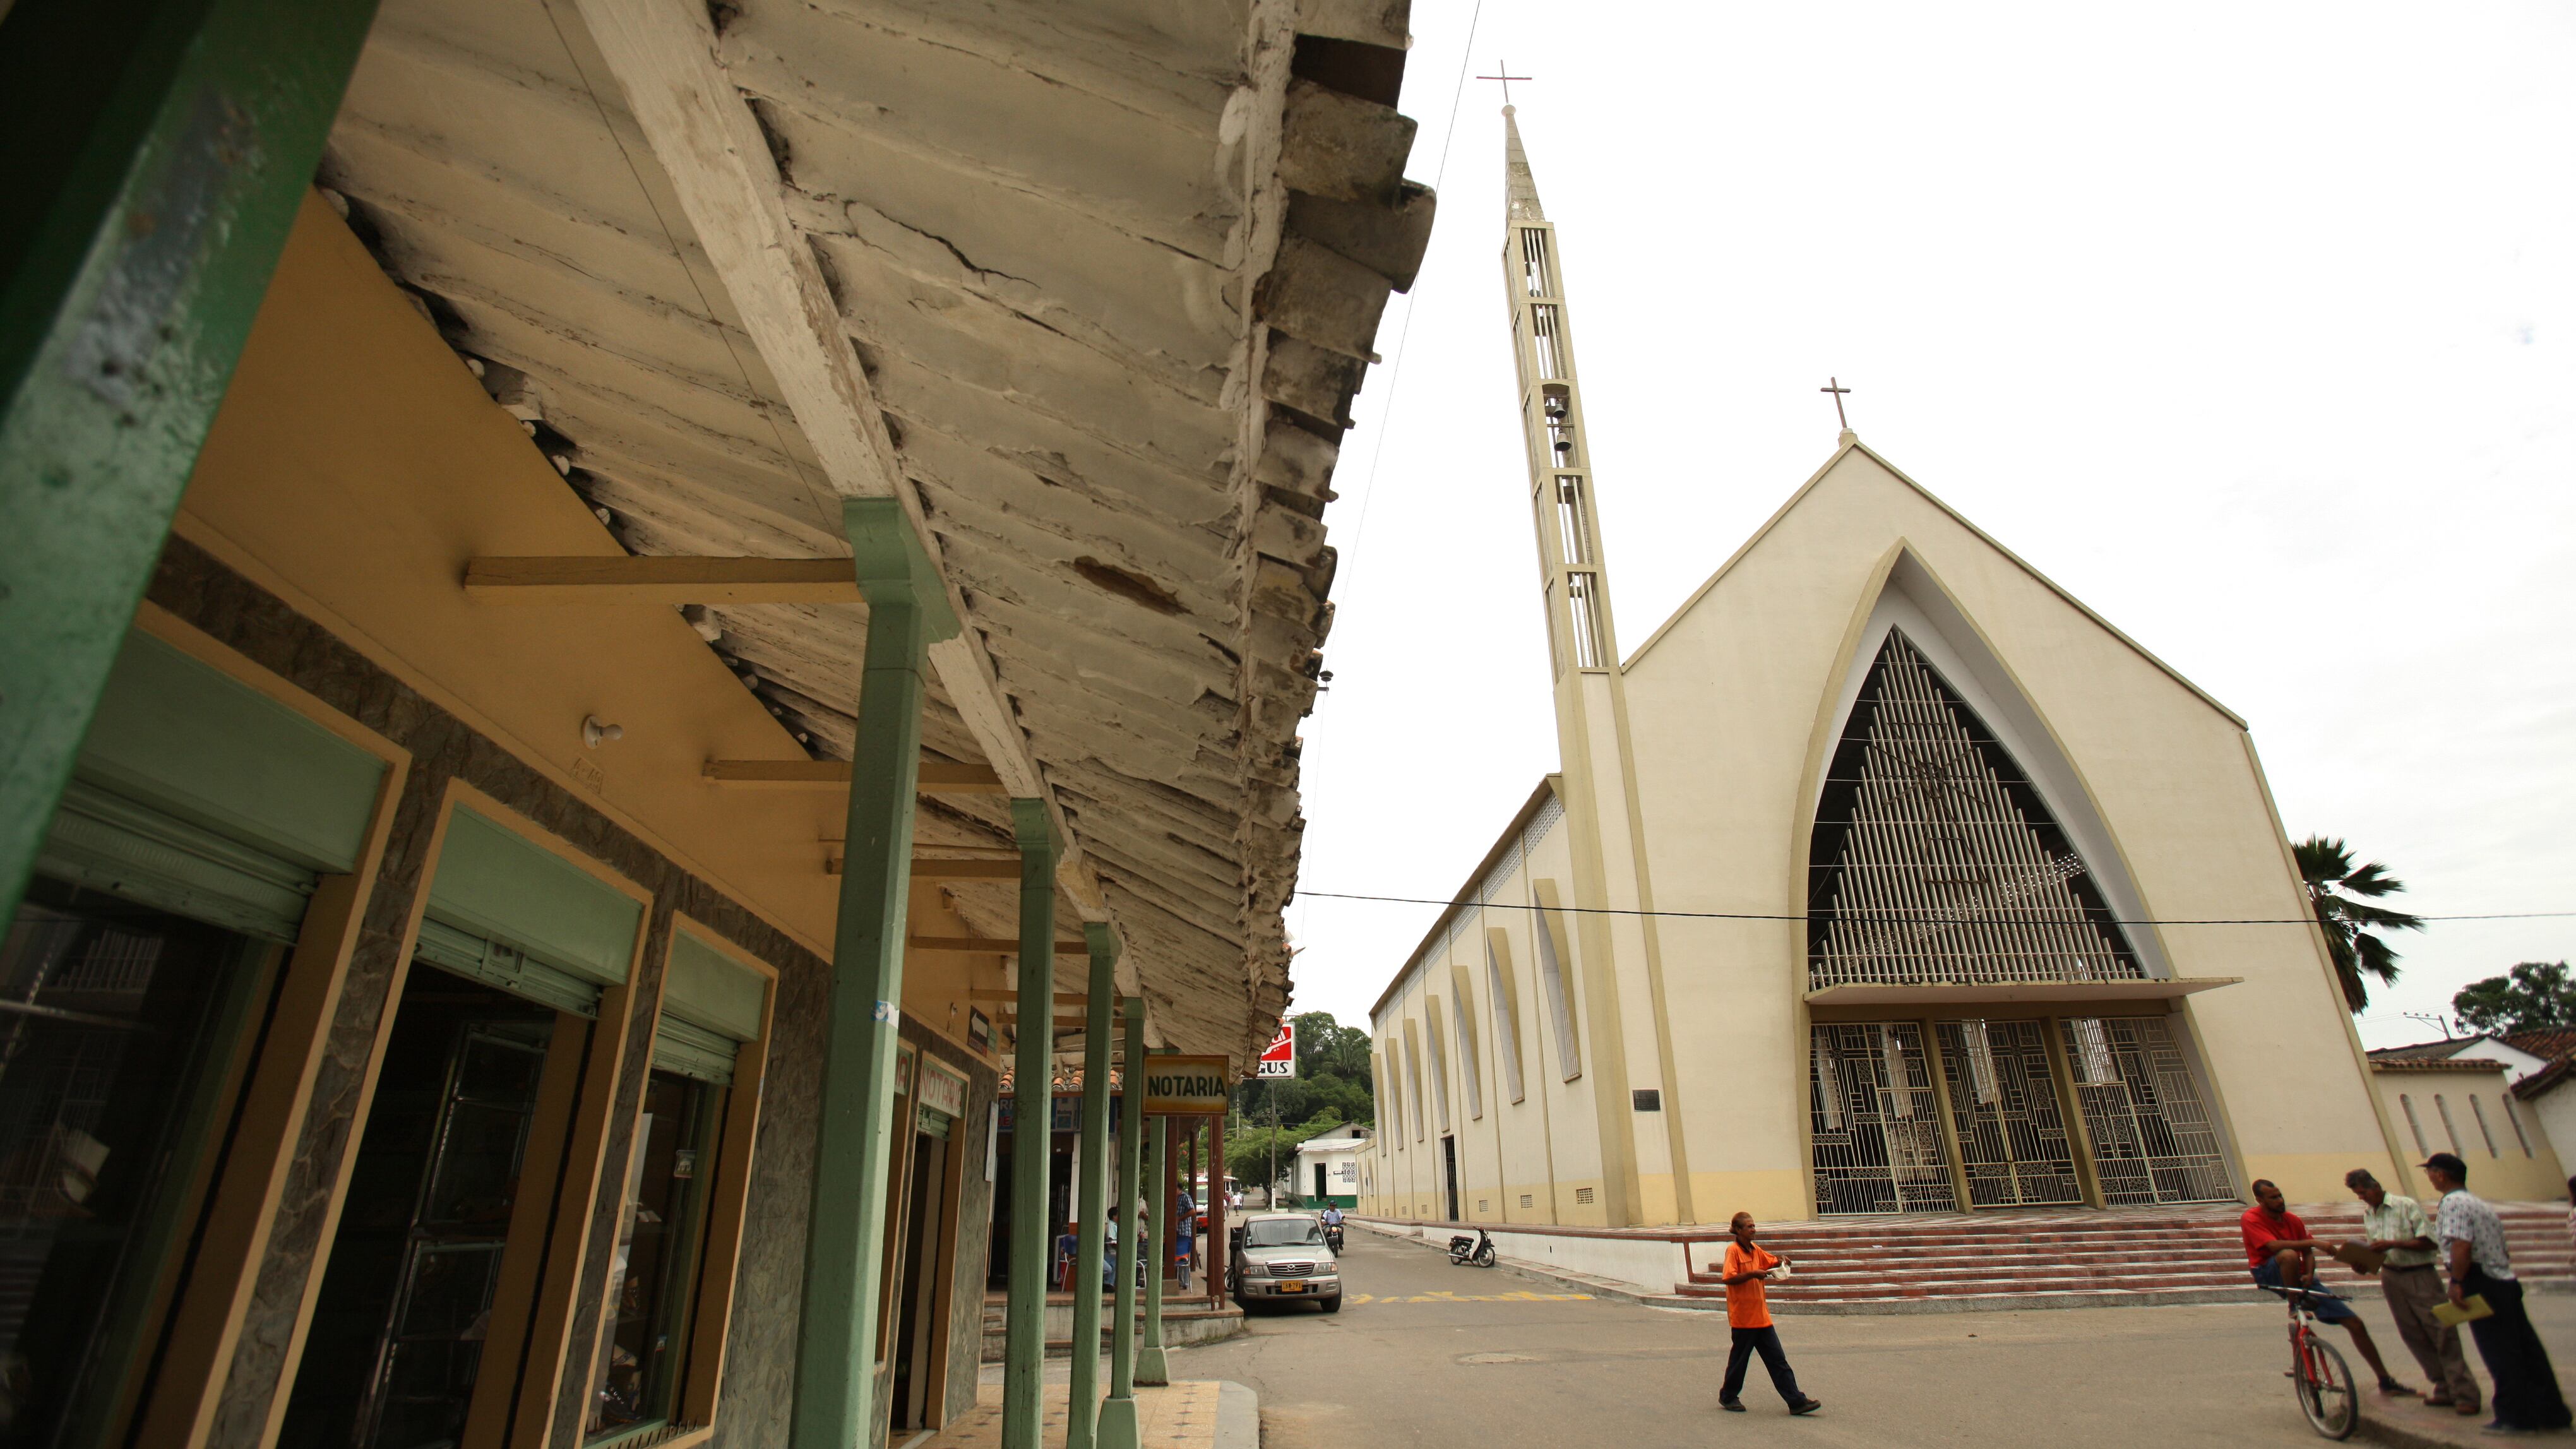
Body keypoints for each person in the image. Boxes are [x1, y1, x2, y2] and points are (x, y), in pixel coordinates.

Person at [2426, 1151, 2573, 1433]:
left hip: (2480, 1280)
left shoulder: (2453, 1203)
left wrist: (2457, 1281)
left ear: (2441, 1175)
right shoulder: (2478, 1203)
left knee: (2500, 1351)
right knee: (2526, 1349)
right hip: (2503, 1279)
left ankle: (2515, 1416)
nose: (2430, 1178)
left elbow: (2461, 1245)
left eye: (2430, 1172)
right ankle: (2551, 1412)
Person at [2243, 1179, 2412, 1396]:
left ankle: (2385, 1380)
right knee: (2288, 1255)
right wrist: (2315, 1242)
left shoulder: (2293, 1220)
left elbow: (2308, 1254)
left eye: (2280, 1195)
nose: (2280, 1200)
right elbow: (2274, 1246)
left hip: (2299, 1275)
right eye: (2273, 1198)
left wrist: (2309, 1273)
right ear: (2260, 1200)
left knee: (2355, 1323)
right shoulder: (2251, 1218)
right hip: (2269, 1272)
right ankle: (2294, 1304)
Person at [2347, 1167, 2478, 1416]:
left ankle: (2465, 1392)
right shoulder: (2369, 1214)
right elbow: (2377, 1251)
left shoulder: (2405, 1205)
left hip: (2420, 1274)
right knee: (2412, 1333)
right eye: (2358, 1195)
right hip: (2391, 1275)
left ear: (2375, 1186)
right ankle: (2442, 1385)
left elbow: (2429, 1242)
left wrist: (2393, 1244)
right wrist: (2362, 1262)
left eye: (2364, 1192)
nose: (2362, 1198)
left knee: (2442, 1330)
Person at [1715, 1212, 1821, 1416]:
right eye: (1749, 1227)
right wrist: (1752, 1274)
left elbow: (1770, 1261)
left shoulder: (1755, 1250)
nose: (1753, 1230)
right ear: (1738, 1230)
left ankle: (1796, 1401)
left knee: (1778, 1360)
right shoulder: (1733, 1251)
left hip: (1761, 1318)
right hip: (1744, 1319)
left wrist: (1782, 1261)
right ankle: (1728, 1396)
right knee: (1739, 1362)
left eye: (1754, 1226)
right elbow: (1728, 1278)